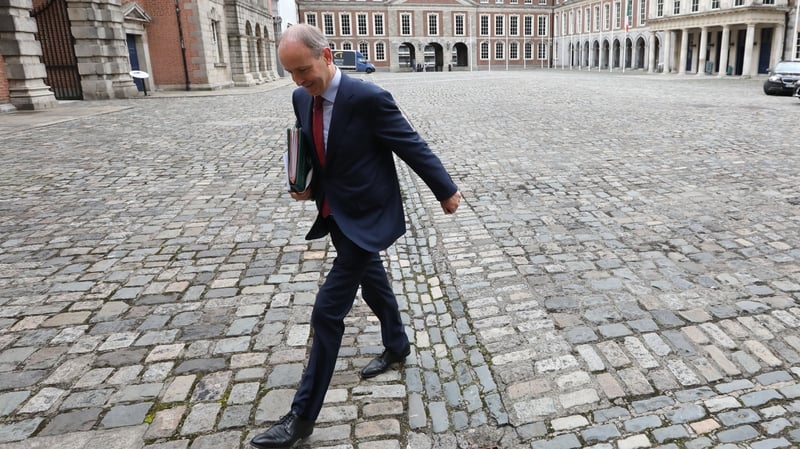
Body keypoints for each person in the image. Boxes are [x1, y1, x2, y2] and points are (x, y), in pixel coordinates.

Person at [249, 24, 461, 449]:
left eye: (303, 70)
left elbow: (410, 144)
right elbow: (308, 147)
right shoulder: (300, 97)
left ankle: (301, 418)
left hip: (368, 214)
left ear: (327, 57)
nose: (298, 81)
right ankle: (397, 345)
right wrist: (302, 182)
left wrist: (446, 190)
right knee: (373, 281)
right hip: (334, 212)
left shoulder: (369, 98)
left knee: (328, 312)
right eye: (290, 73)